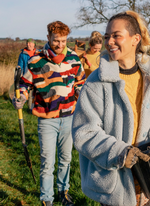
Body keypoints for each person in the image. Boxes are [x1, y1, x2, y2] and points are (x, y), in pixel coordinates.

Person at [71, 10, 150, 206]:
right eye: (106, 36)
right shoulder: (96, 82)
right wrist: (119, 152)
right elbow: (84, 132)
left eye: (116, 35)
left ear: (135, 39)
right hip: (116, 186)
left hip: (146, 181)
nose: (109, 41)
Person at [12, 21, 85, 206]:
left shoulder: (74, 59)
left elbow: (80, 82)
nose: (60, 45)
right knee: (47, 162)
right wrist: (20, 98)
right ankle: (47, 199)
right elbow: (24, 85)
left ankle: (63, 192)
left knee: (66, 159)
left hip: (69, 117)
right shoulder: (36, 60)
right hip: (47, 120)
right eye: (56, 41)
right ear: (48, 38)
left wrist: (81, 93)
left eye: (63, 41)